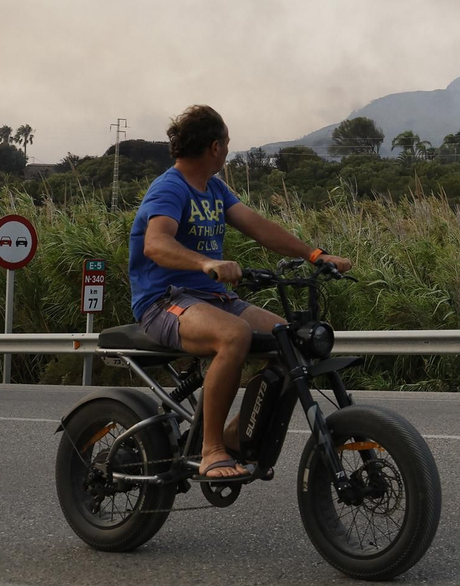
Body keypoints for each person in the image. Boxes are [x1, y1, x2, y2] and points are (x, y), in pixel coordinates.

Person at [128, 104, 351, 481]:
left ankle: (237, 437)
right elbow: (155, 244)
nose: (229, 150)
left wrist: (315, 255)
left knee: (292, 344)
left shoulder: (213, 188)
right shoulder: (170, 187)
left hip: (214, 300)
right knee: (235, 336)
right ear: (214, 146)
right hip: (165, 301)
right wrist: (204, 263)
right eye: (228, 143)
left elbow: (260, 227)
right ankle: (211, 450)